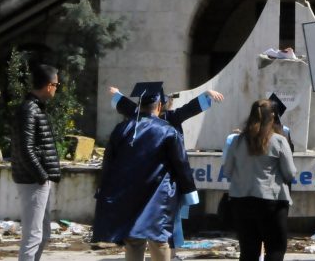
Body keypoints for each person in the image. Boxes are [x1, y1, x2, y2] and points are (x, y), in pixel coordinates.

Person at [110, 85, 224, 252]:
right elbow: (188, 109)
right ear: (160, 104)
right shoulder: (158, 118)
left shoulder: (162, 118)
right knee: (164, 223)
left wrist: (118, 96)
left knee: (160, 225)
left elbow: (129, 107)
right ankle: (165, 252)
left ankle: (167, 252)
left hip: (150, 178)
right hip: (162, 181)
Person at [93, 82, 198, 261]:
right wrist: (189, 191)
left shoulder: (122, 129)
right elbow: (181, 164)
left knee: (133, 240)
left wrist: (103, 190)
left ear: (139, 105)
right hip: (158, 196)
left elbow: (108, 163)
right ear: (159, 105)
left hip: (129, 194)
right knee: (159, 240)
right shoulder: (167, 130)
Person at [222, 98, 297, 261]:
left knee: (248, 251)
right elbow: (290, 173)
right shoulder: (279, 141)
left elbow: (227, 171)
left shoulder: (236, 141)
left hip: (241, 200)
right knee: (275, 249)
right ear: (272, 116)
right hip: (271, 202)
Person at [11, 63, 62, 261]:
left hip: (37, 179)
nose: (56, 89)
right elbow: (26, 148)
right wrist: (41, 176)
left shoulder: (35, 108)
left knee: (43, 233)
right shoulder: (29, 110)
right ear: (49, 86)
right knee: (33, 236)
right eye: (56, 85)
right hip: (32, 180)